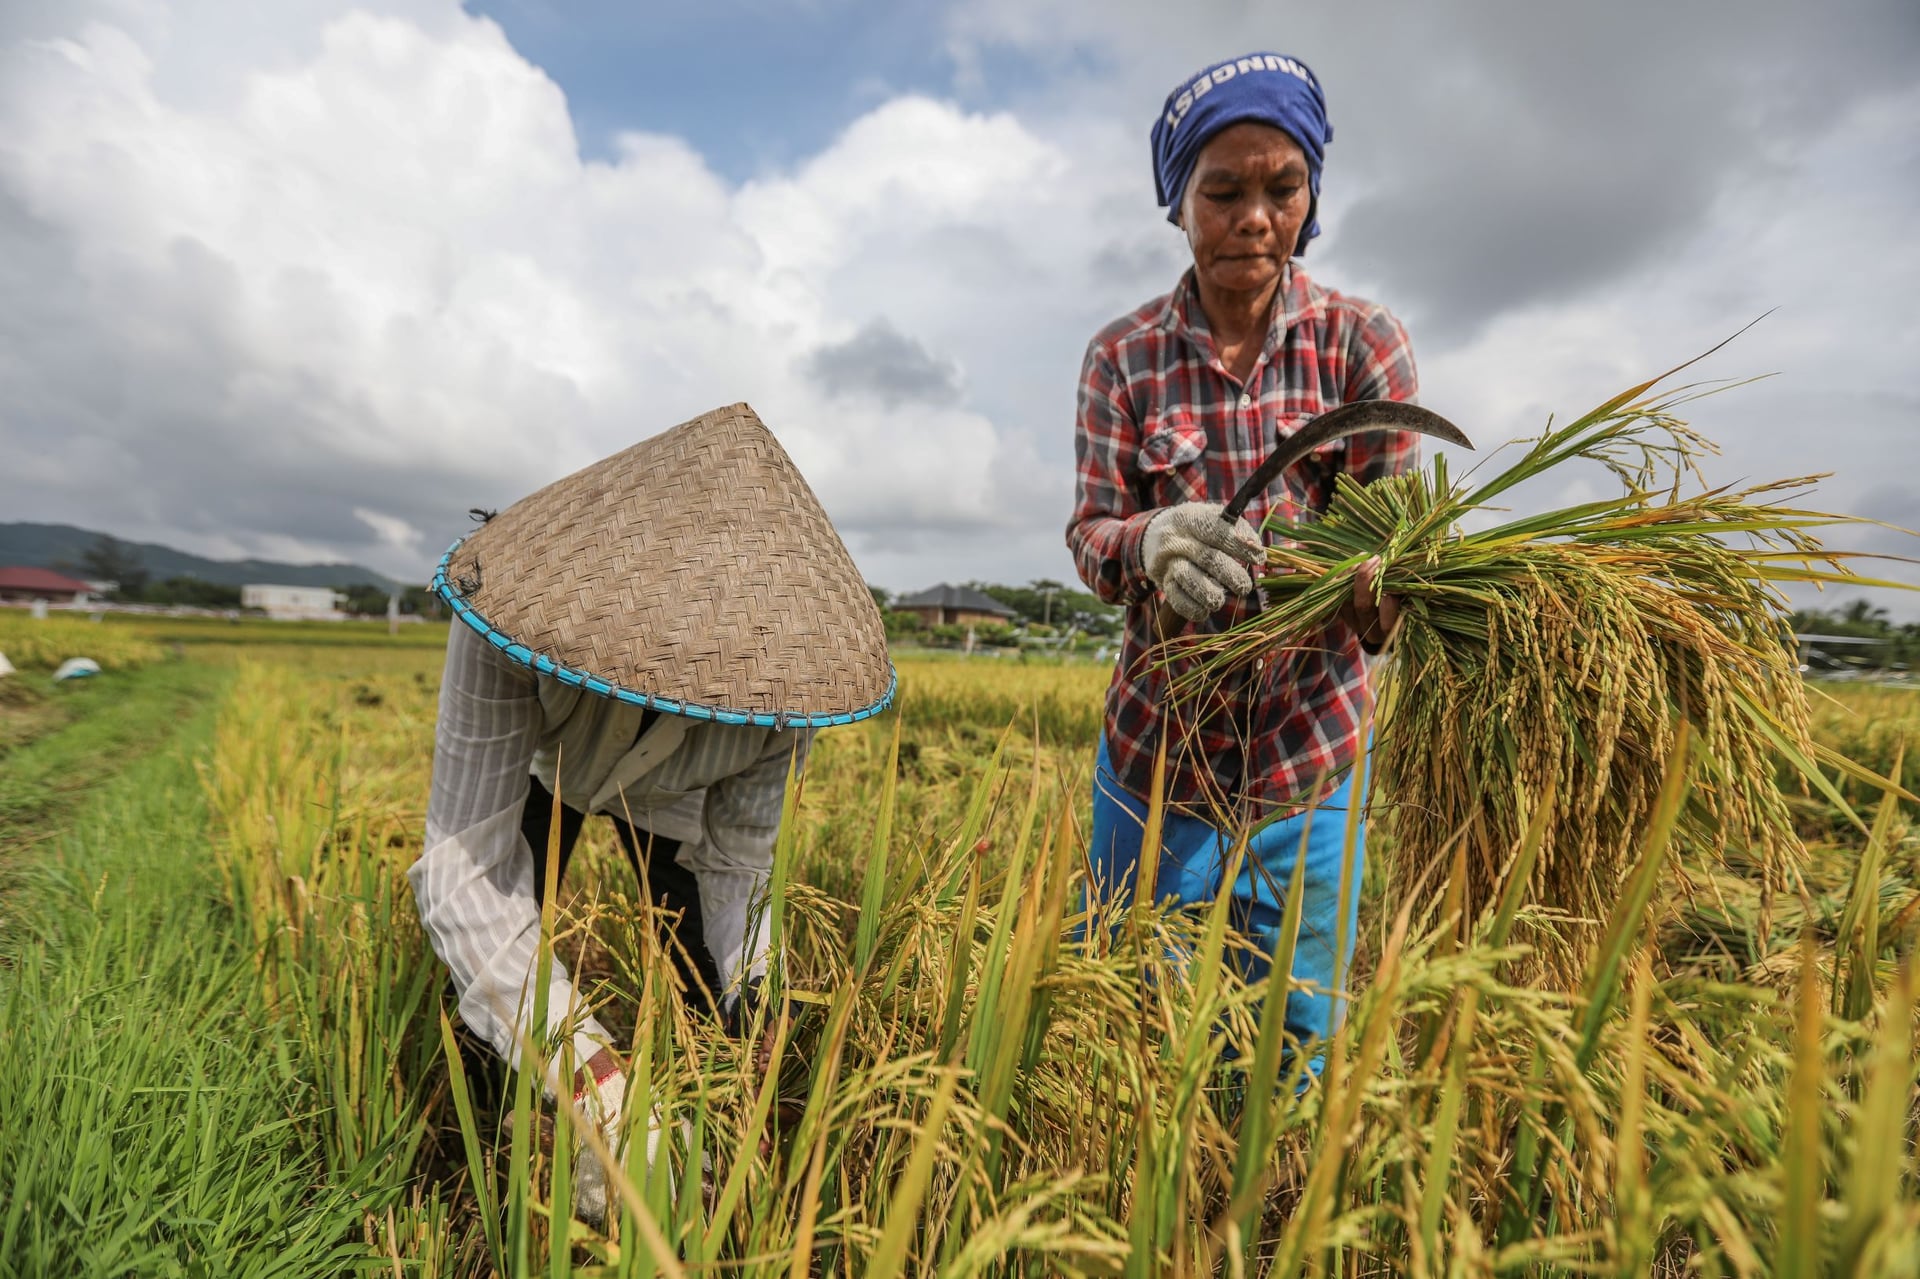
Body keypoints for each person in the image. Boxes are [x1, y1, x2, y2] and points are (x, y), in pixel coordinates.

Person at [408, 403, 895, 1225]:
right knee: (487, 989)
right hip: (545, 768)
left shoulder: (781, 699)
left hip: (672, 800)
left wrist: (756, 1008)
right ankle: (483, 1152)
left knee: (715, 995)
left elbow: (736, 869)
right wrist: (597, 1082)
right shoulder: (512, 617)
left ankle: (718, 1137)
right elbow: (466, 873)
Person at [1066, 53, 1420, 1067]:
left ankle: (1275, 1215)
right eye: (1222, 193)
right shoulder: (1122, 358)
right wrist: (1151, 540)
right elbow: (1092, 534)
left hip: (1307, 755)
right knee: (1133, 1013)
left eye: (1283, 190)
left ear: (1312, 202)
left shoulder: (1365, 348)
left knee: (1295, 1031)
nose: (1254, 218)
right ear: (1178, 204)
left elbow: (1387, 571)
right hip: (1158, 752)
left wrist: (1379, 595)